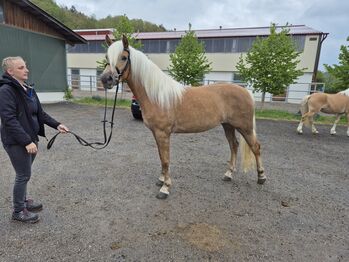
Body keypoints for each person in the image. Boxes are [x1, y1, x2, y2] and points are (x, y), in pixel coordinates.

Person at [0, 56, 69, 223]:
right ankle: (18, 211)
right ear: (10, 71)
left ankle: (23, 202)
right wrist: (26, 141)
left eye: (25, 67)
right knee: (23, 175)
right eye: (21, 67)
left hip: (30, 139)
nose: (26, 70)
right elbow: (9, 120)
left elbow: (40, 113)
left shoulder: (27, 88)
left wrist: (57, 124)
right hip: (17, 141)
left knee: (25, 173)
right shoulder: (6, 91)